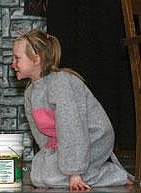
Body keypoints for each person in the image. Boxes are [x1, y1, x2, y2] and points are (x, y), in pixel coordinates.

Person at [10, 29, 134, 191]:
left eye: (17, 58)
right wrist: (49, 156)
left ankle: (113, 173)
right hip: (65, 143)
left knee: (52, 177)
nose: (13, 64)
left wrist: (74, 173)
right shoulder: (30, 93)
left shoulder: (61, 84)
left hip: (91, 139)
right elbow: (42, 136)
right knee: (38, 177)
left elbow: (73, 128)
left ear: (36, 59)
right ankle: (80, 170)